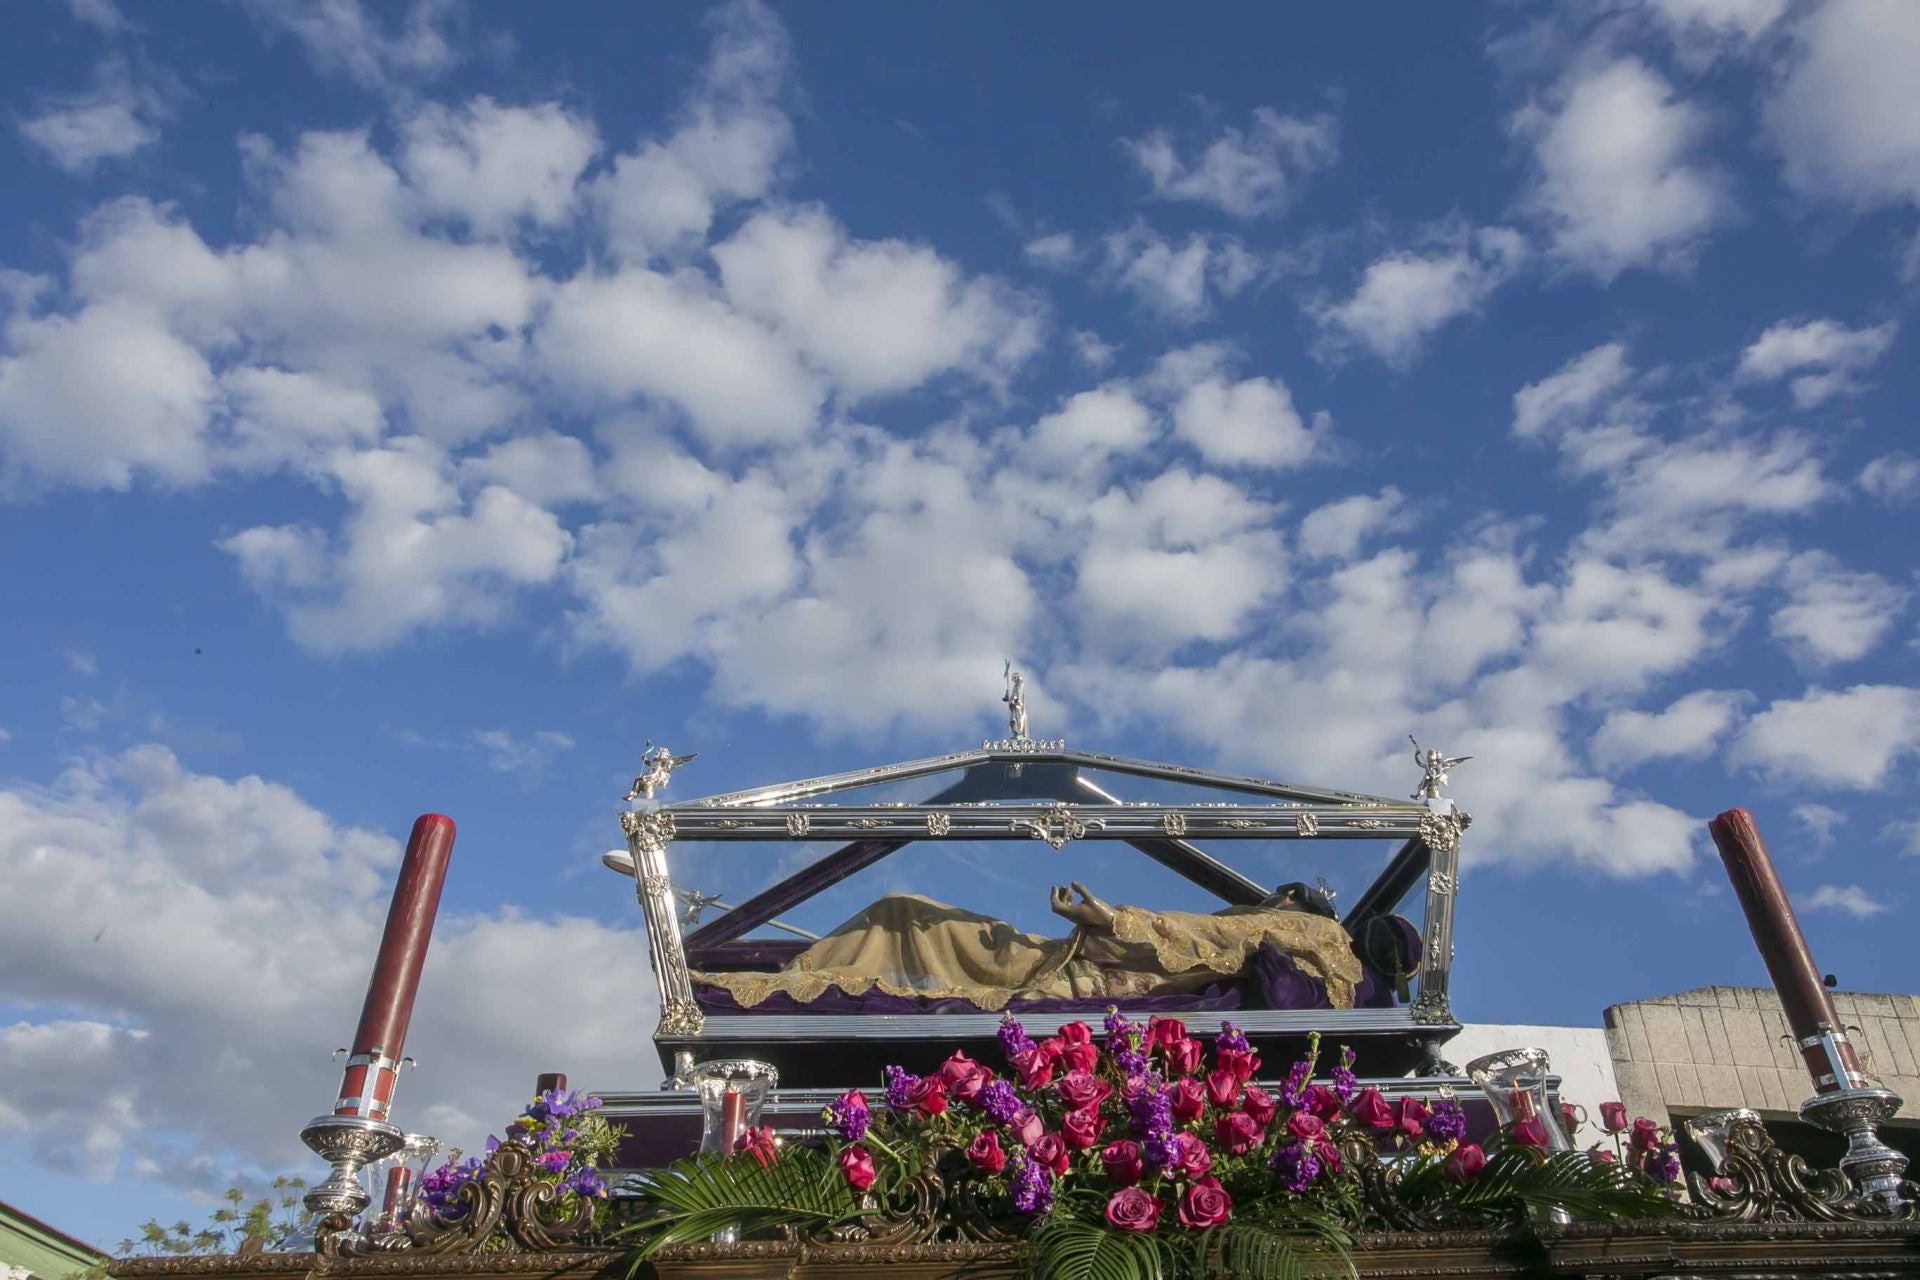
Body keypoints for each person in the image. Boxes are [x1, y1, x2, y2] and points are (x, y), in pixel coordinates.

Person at [692, 879, 1359, 1012]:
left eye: (1290, 892)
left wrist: (1115, 917)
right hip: (1069, 953)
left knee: (907, 913)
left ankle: (784, 986)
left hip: (1090, 969)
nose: (1280, 895)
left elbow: (1213, 935)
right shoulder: (1277, 923)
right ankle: (791, 979)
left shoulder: (1313, 933)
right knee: (907, 911)